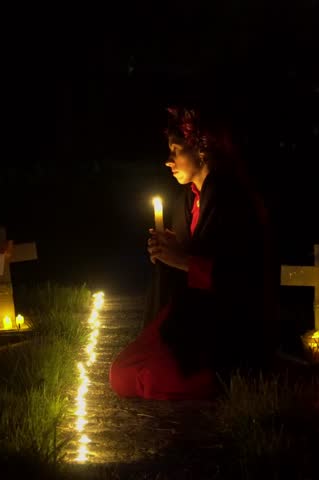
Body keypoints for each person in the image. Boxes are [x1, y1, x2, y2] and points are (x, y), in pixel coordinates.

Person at [109, 106, 275, 400]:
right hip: (187, 318)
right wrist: (167, 253)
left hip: (225, 326)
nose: (168, 160)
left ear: (201, 149)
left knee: (153, 378)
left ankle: (221, 376)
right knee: (121, 373)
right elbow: (186, 260)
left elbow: (241, 276)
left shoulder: (233, 200)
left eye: (176, 150)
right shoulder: (186, 202)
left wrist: (181, 260)